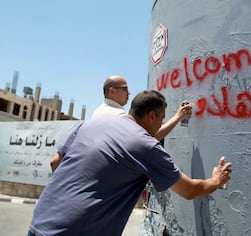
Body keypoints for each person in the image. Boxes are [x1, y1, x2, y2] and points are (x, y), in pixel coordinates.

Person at [29, 90, 232, 236]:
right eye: (161, 118)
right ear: (151, 116)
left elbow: (56, 162)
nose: (161, 123)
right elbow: (189, 190)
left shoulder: (92, 123)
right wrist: (216, 180)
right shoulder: (145, 147)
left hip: (41, 221)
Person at [50, 75, 192, 171]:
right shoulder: (118, 117)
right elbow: (149, 139)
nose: (129, 93)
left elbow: (55, 162)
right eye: (125, 89)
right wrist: (178, 117)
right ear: (111, 91)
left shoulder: (96, 115)